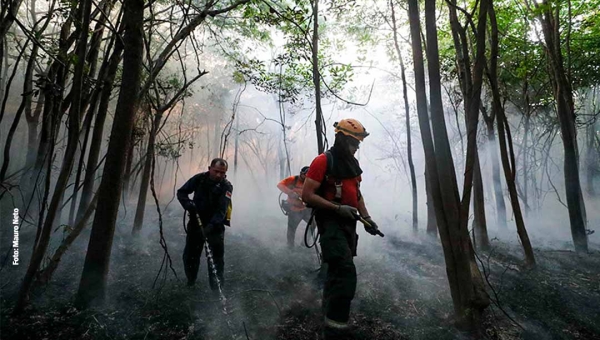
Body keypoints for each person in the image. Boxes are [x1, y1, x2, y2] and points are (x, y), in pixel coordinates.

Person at [301, 118, 380, 338]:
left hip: (348, 224)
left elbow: (357, 194)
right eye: (354, 143)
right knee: (345, 273)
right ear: (342, 139)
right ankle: (336, 328)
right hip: (330, 224)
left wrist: (367, 218)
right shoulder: (323, 161)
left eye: (358, 144)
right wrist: (337, 208)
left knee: (336, 272)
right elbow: (307, 195)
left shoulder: (352, 165)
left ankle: (328, 320)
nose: (357, 148)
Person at [177, 158, 233, 289]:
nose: (219, 175)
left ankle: (216, 288)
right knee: (190, 255)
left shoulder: (226, 186)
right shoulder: (199, 179)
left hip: (215, 227)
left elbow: (222, 210)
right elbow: (181, 192)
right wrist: (188, 204)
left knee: (216, 259)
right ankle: (190, 282)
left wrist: (211, 226)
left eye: (222, 172)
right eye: (216, 171)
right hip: (196, 222)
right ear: (210, 169)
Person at [277, 166, 312, 248]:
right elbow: (280, 185)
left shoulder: (310, 182)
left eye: (308, 176)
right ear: (301, 173)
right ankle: (290, 247)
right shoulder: (293, 179)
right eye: (305, 175)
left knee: (313, 225)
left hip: (306, 209)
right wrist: (290, 192)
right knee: (291, 230)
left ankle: (304, 243)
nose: (306, 177)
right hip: (294, 209)